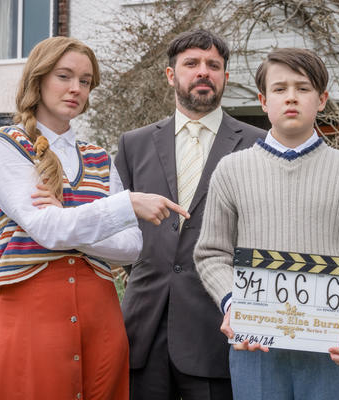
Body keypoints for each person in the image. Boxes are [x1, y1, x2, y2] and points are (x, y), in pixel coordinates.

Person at [0, 36, 188, 400]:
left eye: (86, 81)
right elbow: (46, 229)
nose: (76, 88)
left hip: (101, 318)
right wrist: (125, 206)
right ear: (38, 79)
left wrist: (68, 218)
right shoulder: (5, 146)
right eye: (64, 76)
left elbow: (130, 248)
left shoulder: (99, 159)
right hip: (32, 317)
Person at [194, 48, 339, 400]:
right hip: (256, 348)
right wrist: (233, 304)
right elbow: (211, 253)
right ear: (263, 100)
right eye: (280, 89)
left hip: (328, 346)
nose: (292, 97)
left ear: (322, 99)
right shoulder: (231, 170)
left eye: (303, 88)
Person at [115, 29, 265, 399]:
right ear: (171, 75)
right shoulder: (133, 145)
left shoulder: (258, 145)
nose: (204, 72)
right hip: (144, 328)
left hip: (216, 329)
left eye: (214, 65)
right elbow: (117, 226)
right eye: (192, 64)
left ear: (225, 78)